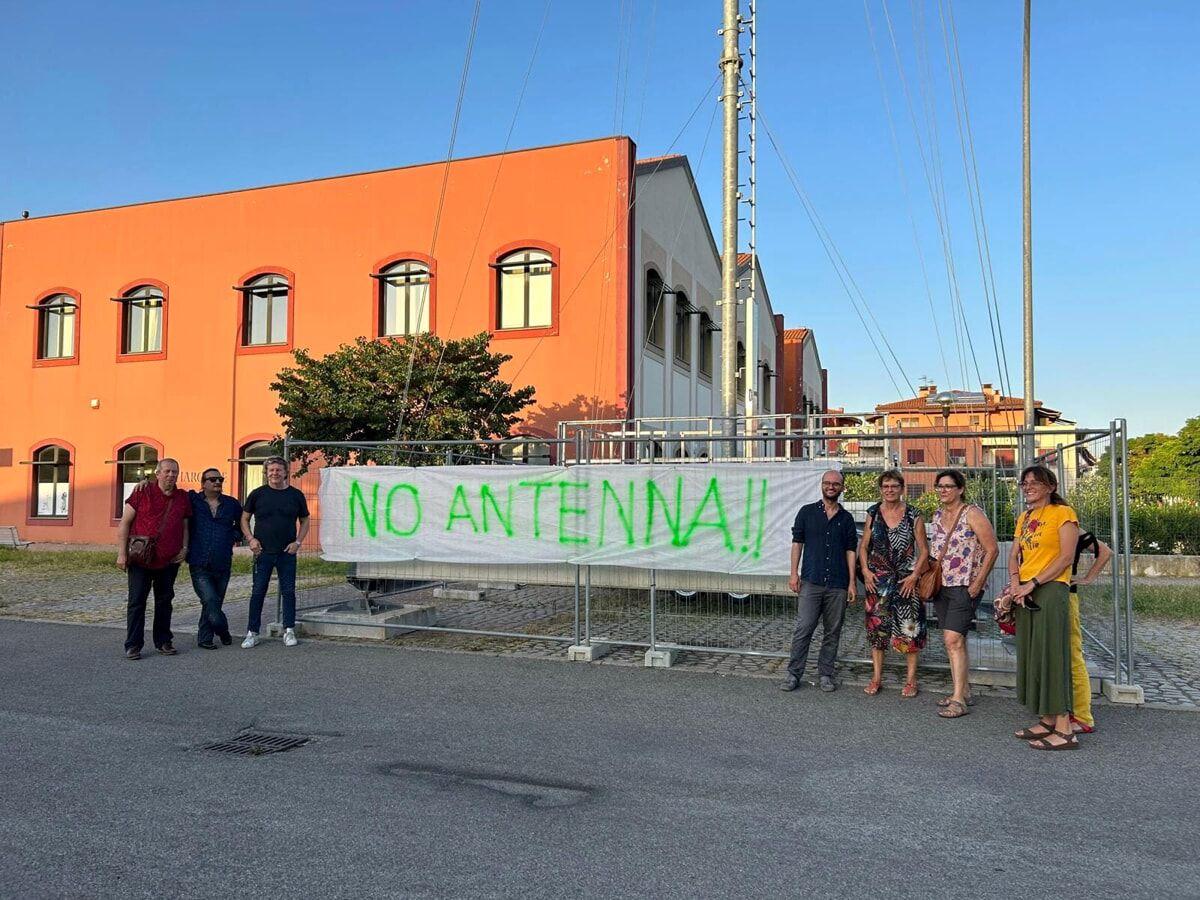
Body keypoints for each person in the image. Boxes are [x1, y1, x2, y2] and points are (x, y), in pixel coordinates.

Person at [1009, 464, 1080, 751]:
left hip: (1049, 589)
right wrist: (1015, 583)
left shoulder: (1063, 514)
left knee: (1052, 654)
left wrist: (1033, 583)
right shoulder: (1025, 517)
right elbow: (1014, 554)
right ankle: (1048, 719)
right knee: (1033, 653)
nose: (1028, 486)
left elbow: (1065, 558)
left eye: (1034, 482)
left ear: (1050, 486)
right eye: (1024, 482)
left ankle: (1065, 730)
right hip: (1025, 590)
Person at [928, 469, 999, 718]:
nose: (943, 490)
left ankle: (958, 700)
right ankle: (963, 690)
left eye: (948, 486)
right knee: (956, 641)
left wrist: (978, 582)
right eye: (940, 486)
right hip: (942, 585)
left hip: (964, 585)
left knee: (952, 640)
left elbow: (992, 549)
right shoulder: (937, 515)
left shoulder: (972, 513)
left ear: (960, 489)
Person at [781, 470, 859, 693]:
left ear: (842, 488)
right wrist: (793, 573)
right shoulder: (806, 513)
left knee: (832, 632)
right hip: (811, 581)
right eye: (827, 483)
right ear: (821, 485)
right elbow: (797, 543)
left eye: (836, 484)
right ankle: (793, 674)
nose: (831, 487)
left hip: (838, 584)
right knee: (803, 628)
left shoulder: (846, 519)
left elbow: (850, 551)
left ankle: (825, 674)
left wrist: (852, 582)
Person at [858, 469, 930, 698]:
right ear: (881, 489)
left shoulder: (913, 515)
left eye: (894, 486)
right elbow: (863, 547)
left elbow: (924, 550)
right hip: (877, 581)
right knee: (877, 631)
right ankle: (876, 678)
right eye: (885, 486)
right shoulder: (873, 513)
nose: (889, 490)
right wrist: (866, 572)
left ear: (902, 488)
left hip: (906, 581)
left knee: (910, 629)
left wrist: (914, 576)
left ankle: (911, 680)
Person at [116, 458, 191, 660]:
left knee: (165, 602)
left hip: (169, 559)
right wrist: (122, 553)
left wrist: (184, 548)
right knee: (137, 602)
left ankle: (163, 641)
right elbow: (125, 523)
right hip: (141, 559)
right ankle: (133, 645)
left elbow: (185, 526)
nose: (171, 475)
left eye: (174, 472)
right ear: (157, 473)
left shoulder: (182, 497)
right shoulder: (142, 492)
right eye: (166, 471)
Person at [240, 456, 310, 649]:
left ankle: (288, 630)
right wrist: (250, 539)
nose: (274, 473)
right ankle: (252, 633)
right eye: (271, 470)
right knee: (258, 592)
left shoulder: (295, 495)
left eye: (278, 470)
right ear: (266, 473)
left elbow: (305, 521)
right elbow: (244, 519)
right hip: (262, 552)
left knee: (288, 592)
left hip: (287, 552)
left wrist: (298, 542)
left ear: (286, 472)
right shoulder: (257, 494)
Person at [187, 468, 243, 649]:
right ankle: (223, 631)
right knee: (210, 600)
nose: (217, 482)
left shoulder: (232, 504)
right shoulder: (193, 501)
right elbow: (169, 491)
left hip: (222, 560)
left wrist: (232, 536)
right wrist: (146, 482)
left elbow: (242, 525)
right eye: (212, 479)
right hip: (199, 561)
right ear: (203, 483)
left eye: (220, 479)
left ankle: (205, 638)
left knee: (213, 603)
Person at [1067, 527, 1113, 735]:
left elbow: (1104, 551)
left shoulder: (1070, 526)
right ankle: (1063, 709)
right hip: (1042, 595)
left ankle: (1083, 716)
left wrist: (1087, 578)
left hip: (1065, 595)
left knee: (1072, 655)